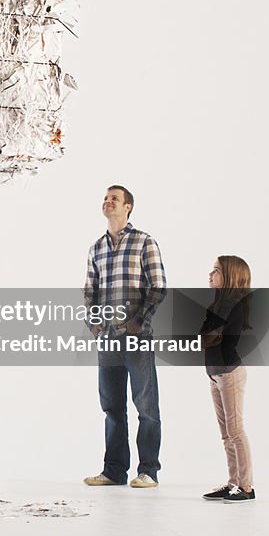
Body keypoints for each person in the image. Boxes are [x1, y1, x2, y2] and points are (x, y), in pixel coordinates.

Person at [83, 185, 167, 488]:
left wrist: (138, 322)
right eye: (105, 198)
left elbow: (158, 286)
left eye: (114, 199)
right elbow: (90, 291)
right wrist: (94, 324)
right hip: (107, 338)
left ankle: (148, 471)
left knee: (146, 407)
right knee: (112, 408)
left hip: (137, 337)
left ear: (127, 207)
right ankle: (114, 471)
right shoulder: (96, 248)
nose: (107, 202)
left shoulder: (144, 242)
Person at [199, 255, 256, 503]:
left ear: (230, 276)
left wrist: (208, 335)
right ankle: (232, 482)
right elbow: (204, 338)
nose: (211, 274)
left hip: (229, 373)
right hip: (214, 374)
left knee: (235, 431)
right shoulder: (216, 306)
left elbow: (218, 339)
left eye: (216, 270)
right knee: (225, 434)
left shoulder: (236, 305)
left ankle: (246, 486)